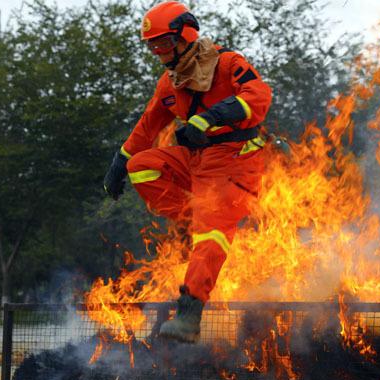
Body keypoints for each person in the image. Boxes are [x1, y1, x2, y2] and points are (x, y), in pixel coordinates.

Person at [103, 1, 272, 343]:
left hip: (236, 160)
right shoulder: (169, 84)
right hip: (197, 160)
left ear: (186, 35)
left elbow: (259, 97)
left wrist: (210, 118)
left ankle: (190, 315)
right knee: (143, 166)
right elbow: (147, 126)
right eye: (152, 46)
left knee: (212, 233)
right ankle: (187, 223)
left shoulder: (227, 63)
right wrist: (119, 163)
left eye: (163, 43)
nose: (158, 52)